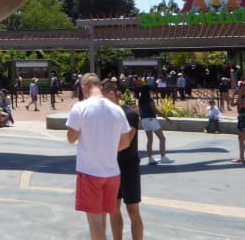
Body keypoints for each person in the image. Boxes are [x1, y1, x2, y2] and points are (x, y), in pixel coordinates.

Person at [66, 73, 132, 240]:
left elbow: (71, 138)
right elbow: (125, 142)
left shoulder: (80, 107)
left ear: (83, 88)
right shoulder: (117, 109)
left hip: (89, 171)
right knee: (102, 217)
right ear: (100, 87)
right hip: (112, 172)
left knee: (94, 222)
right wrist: (107, 148)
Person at [101, 79, 143, 240]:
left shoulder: (129, 114)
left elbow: (125, 143)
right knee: (113, 209)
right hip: (112, 167)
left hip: (128, 167)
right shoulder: (105, 115)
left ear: (111, 93)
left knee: (132, 210)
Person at [138, 87, 173, 165]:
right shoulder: (149, 100)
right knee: (162, 138)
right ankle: (163, 157)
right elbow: (155, 110)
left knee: (149, 140)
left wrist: (142, 119)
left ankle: (150, 158)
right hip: (151, 119)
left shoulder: (140, 100)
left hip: (144, 120)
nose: (151, 92)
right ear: (148, 91)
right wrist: (166, 118)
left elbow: (139, 111)